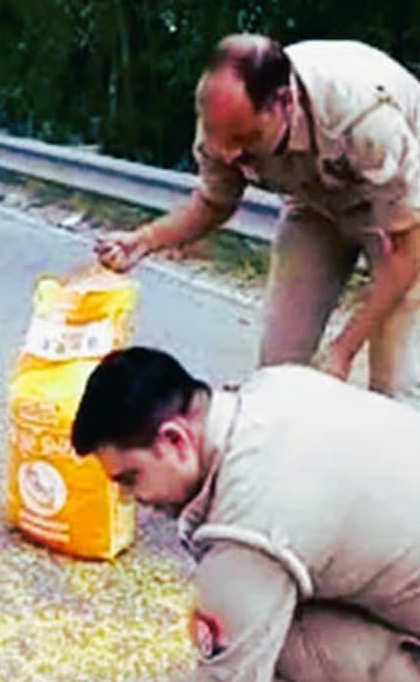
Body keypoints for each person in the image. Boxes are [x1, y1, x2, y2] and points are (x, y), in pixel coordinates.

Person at [94, 35, 420, 407]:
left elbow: (408, 252)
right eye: (219, 138)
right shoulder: (222, 121)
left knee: (393, 386)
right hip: (315, 205)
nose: (229, 153)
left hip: (402, 213)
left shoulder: (364, 117)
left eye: (246, 138)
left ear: (285, 102)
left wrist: (343, 349)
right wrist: (144, 240)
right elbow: (214, 203)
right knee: (278, 374)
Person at [71, 346, 420, 682]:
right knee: (262, 606)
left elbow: (229, 679)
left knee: (265, 642)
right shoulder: (277, 385)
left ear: (175, 440)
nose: (130, 498)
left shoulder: (250, 515)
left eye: (130, 479)